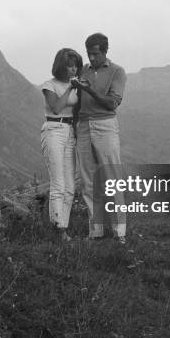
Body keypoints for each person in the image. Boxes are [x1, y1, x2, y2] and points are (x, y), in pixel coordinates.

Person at [72, 33, 127, 243]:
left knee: (112, 178)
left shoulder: (117, 72)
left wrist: (90, 90)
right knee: (88, 181)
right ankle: (96, 232)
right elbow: (77, 102)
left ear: (105, 51)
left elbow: (112, 103)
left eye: (95, 54)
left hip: (105, 125)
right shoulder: (83, 70)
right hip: (84, 126)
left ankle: (120, 233)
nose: (91, 58)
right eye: (89, 54)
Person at [40, 48, 83, 241]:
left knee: (70, 186)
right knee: (58, 183)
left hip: (69, 132)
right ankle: (58, 230)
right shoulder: (50, 85)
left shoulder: (76, 85)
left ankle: (62, 227)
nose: (73, 70)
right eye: (70, 66)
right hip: (53, 129)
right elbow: (57, 108)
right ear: (61, 66)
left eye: (76, 66)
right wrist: (70, 88)